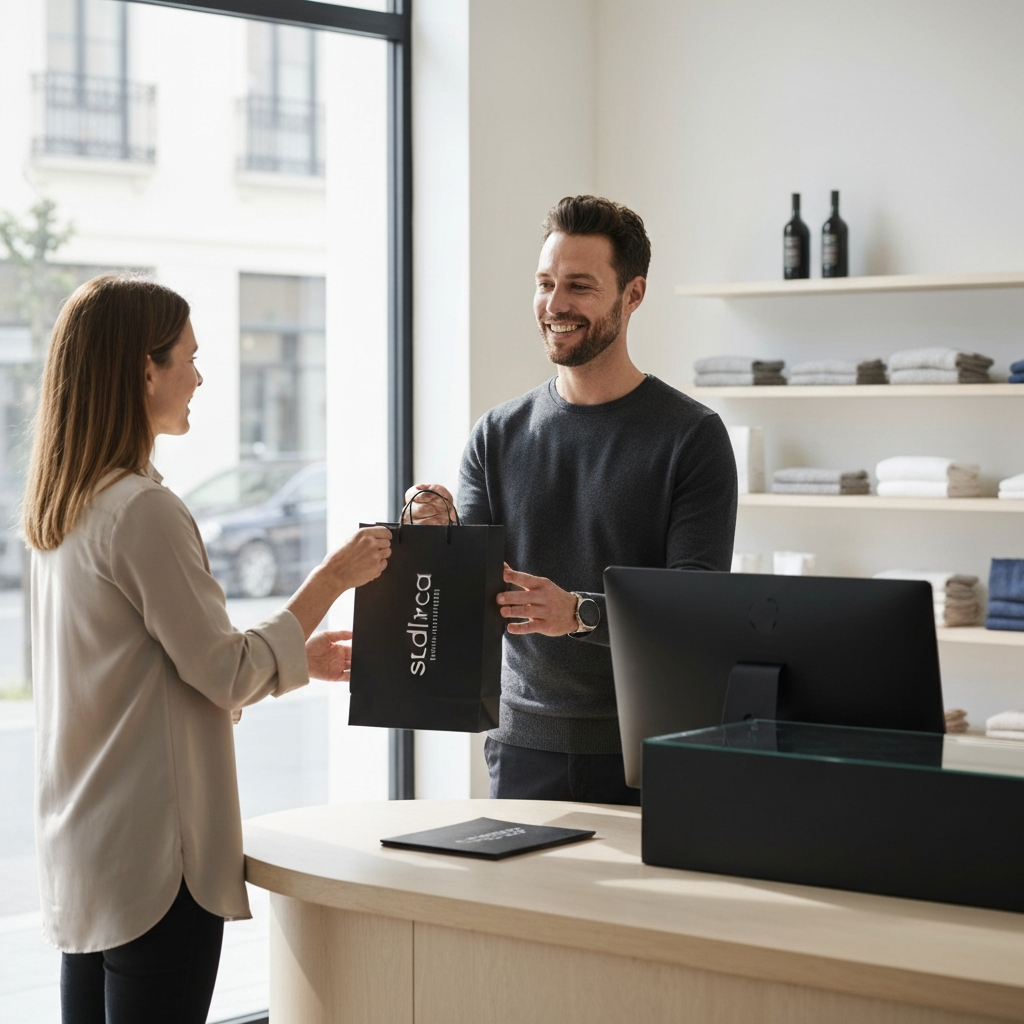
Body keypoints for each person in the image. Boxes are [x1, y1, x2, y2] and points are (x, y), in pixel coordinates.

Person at [24, 274, 392, 1024]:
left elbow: (145, 675)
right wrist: (330, 578)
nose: (199, 376)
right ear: (143, 369)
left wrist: (294, 659)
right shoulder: (144, 511)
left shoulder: (61, 511)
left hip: (86, 854)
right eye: (187, 358)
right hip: (157, 865)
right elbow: (221, 671)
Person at [408, 195, 737, 805]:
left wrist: (580, 614)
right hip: (521, 745)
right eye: (545, 283)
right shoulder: (497, 433)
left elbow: (699, 610)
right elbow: (468, 599)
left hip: (649, 750)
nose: (555, 305)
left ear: (632, 294)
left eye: (579, 286)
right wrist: (439, 537)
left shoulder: (692, 437)